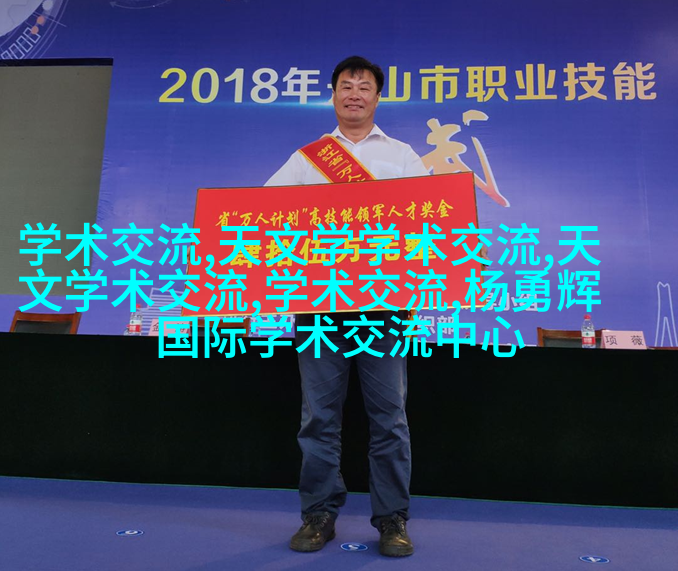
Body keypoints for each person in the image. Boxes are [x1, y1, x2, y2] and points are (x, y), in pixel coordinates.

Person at [264, 56, 428, 557]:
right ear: (333, 95)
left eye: (365, 86)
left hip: (384, 307)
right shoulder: (308, 158)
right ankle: (318, 514)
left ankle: (392, 519)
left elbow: (432, 221)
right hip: (318, 306)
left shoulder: (402, 156)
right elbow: (264, 213)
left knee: (390, 419)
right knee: (318, 419)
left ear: (378, 97)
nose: (355, 93)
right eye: (346, 85)